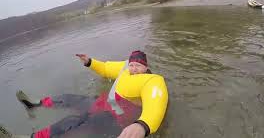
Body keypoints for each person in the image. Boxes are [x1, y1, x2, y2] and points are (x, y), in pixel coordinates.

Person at [0, 50, 168, 138]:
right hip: (101, 103)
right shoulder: (125, 69)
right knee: (69, 98)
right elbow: (106, 68)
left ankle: (32, 137)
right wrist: (89, 62)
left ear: (146, 67)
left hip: (114, 118)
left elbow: (156, 102)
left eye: (138, 66)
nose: (134, 69)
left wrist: (143, 125)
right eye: (132, 65)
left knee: (74, 121)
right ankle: (36, 103)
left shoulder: (152, 81)